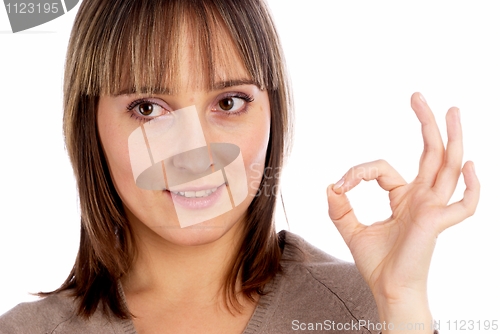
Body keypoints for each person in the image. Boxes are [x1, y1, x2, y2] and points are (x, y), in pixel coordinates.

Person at [0, 0, 479, 333]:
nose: (196, 152)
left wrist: (401, 306)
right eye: (148, 108)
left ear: (273, 111)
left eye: (228, 102)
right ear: (91, 126)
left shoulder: (366, 312)